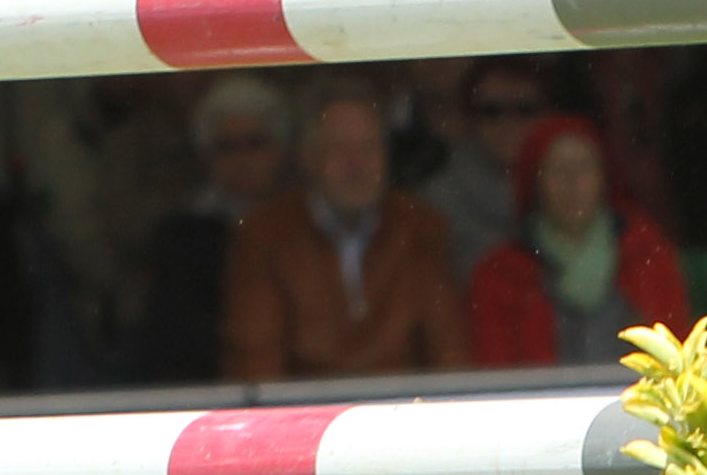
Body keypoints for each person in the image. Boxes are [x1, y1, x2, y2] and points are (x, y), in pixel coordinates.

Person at [219, 88, 466, 382]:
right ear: (307, 157)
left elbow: (451, 355)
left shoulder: (422, 228)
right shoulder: (264, 235)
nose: (356, 165)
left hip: (403, 416)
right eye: (339, 149)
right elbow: (257, 365)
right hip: (307, 420)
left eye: (369, 148)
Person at [466, 113, 690, 368]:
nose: (572, 183)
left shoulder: (648, 255)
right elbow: (498, 374)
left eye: (584, 167)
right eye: (557, 170)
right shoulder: (500, 275)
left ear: (604, 177)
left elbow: (674, 359)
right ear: (534, 182)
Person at [125, 75, 291, 382]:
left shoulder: (305, 224)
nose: (242, 160)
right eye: (227, 148)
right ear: (206, 156)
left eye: (255, 144)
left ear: (280, 150)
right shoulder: (182, 238)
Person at [422, 57, 550, 280]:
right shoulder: (436, 205)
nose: (509, 122)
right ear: (470, 119)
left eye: (525, 109)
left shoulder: (571, 185)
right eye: (492, 111)